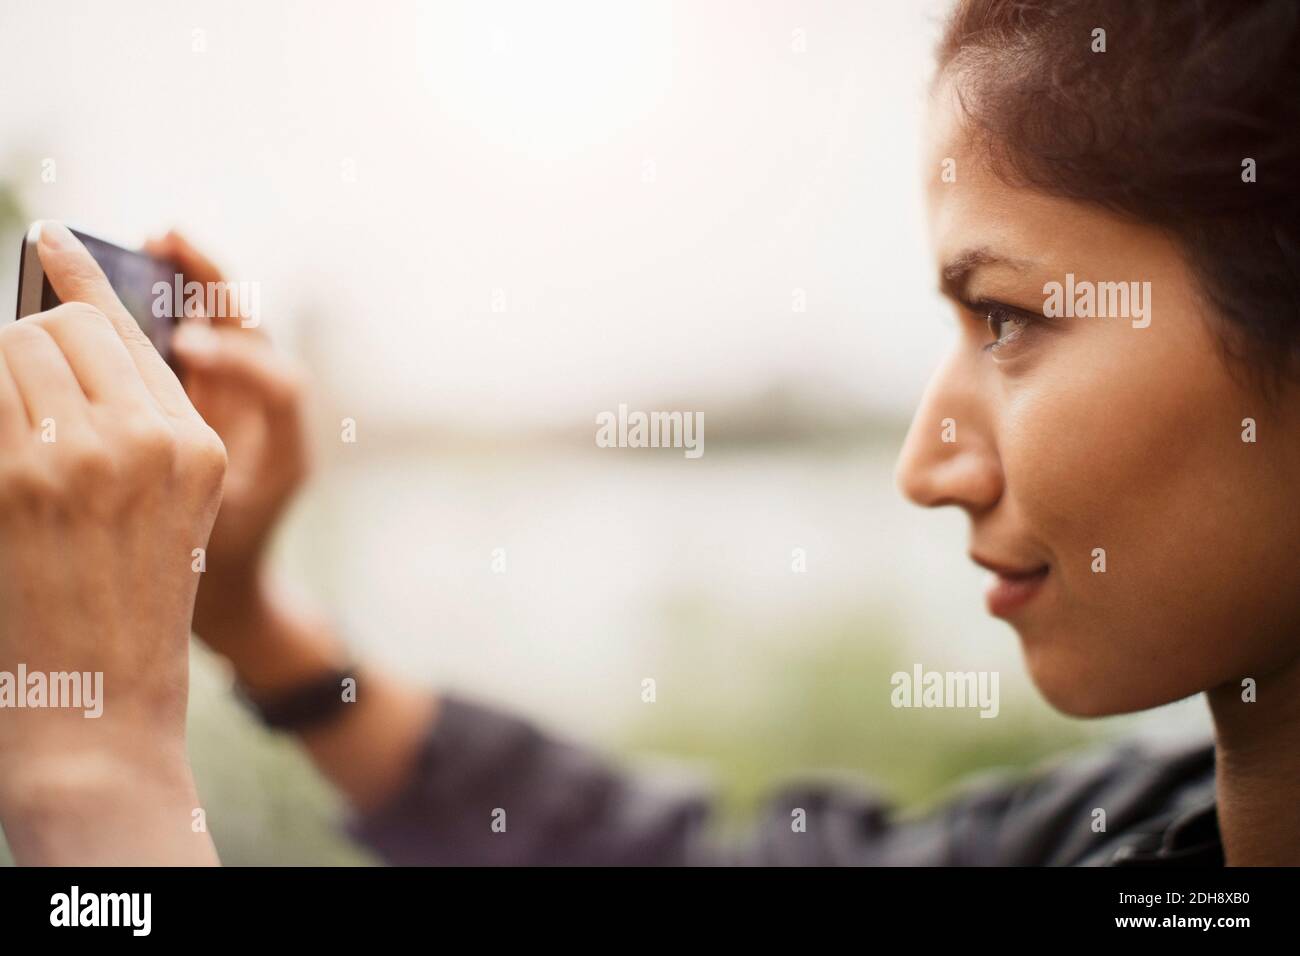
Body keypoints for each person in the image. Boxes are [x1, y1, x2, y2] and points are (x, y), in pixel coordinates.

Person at [0, 0, 1296, 865]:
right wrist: (254, 625)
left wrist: (96, 782)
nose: (924, 466)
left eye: (1007, 317)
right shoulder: (1132, 838)